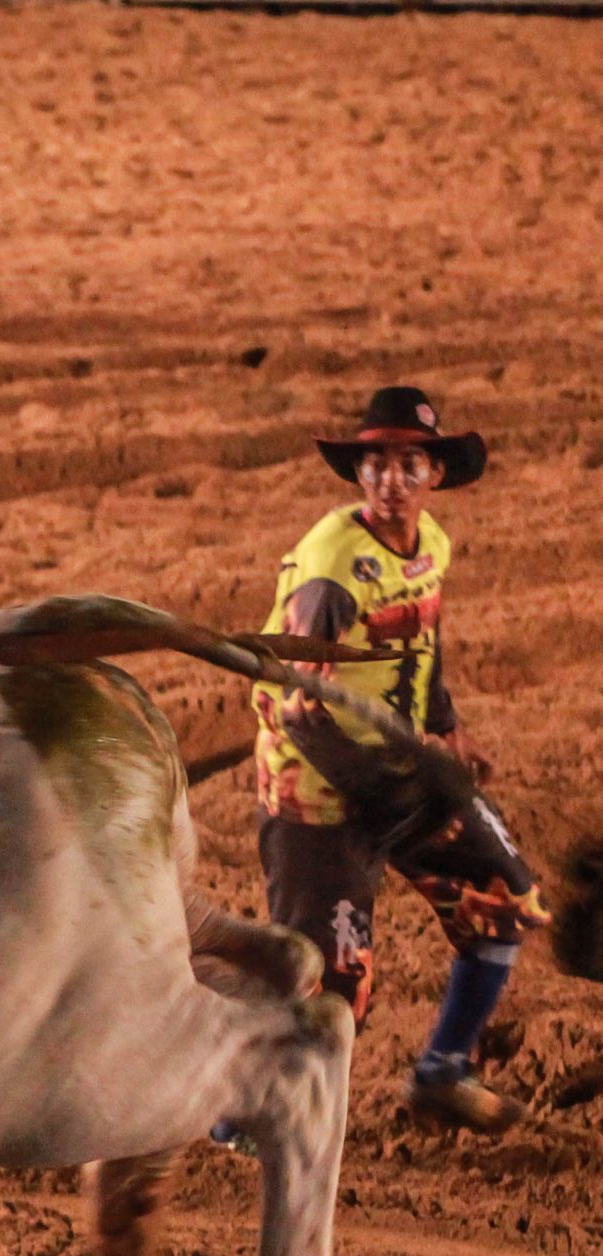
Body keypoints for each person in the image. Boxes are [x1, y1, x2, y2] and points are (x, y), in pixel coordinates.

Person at [250, 386, 551, 1132]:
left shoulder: (430, 546)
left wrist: (445, 728)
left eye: (409, 464)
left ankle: (443, 1072)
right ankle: (240, 1119)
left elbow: (424, 642)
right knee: (334, 988)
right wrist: (383, 794)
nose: (393, 479)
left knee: (502, 898)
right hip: (316, 796)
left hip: (399, 775)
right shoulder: (330, 572)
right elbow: (298, 710)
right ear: (359, 475)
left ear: (433, 475)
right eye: (377, 464)